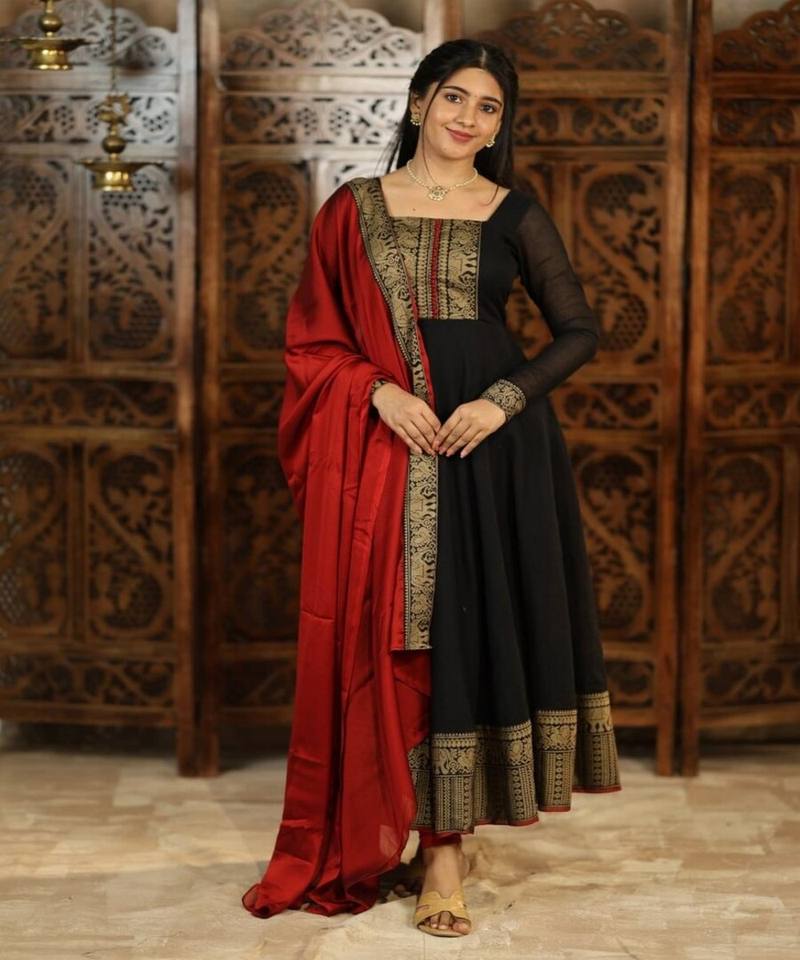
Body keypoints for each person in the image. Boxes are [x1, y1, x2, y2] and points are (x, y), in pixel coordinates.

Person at [241, 37, 621, 938]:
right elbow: (313, 340)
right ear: (418, 102)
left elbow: (578, 330)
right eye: (455, 97)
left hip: (488, 450)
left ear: (498, 126)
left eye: (489, 108)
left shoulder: (512, 212)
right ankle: (394, 823)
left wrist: (501, 401)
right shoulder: (352, 209)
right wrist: (375, 392)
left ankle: (446, 851)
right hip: (385, 449)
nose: (468, 118)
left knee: (466, 627)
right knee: (395, 631)